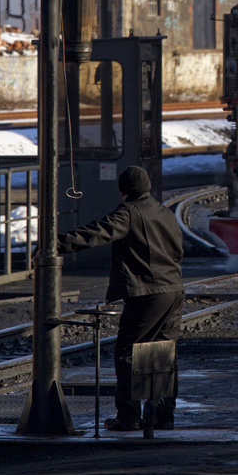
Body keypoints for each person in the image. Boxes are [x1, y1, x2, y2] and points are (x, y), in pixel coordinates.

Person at [58, 166, 184, 431]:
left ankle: (129, 416)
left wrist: (58, 244)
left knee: (129, 352)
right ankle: (164, 415)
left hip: (148, 292)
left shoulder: (128, 212)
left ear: (123, 190)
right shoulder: (166, 212)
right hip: (173, 290)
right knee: (163, 353)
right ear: (147, 186)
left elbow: (98, 232)